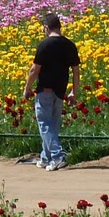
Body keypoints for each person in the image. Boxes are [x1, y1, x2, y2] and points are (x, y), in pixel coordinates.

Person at [22, 12, 80, 172]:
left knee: (45, 125)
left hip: (45, 91)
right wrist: (73, 92)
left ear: (46, 28)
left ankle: (57, 157)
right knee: (53, 125)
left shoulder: (44, 45)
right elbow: (76, 71)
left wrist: (27, 88)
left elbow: (35, 69)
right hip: (60, 91)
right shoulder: (69, 45)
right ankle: (46, 157)